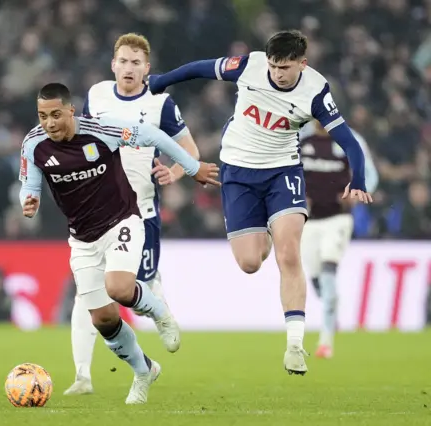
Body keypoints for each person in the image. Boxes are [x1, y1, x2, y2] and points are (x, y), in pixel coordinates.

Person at [148, 30, 373, 375]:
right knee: (250, 262)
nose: (278, 73)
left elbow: (349, 142)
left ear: (302, 63)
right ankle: (265, 230)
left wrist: (357, 180)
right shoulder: (250, 66)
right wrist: (162, 81)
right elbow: (200, 68)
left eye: (285, 67)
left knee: (288, 253)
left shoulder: (315, 90)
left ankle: (295, 345)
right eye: (273, 65)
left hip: (283, 171)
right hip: (238, 170)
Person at [20, 82, 218, 404]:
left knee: (120, 289)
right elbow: (30, 185)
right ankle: (144, 370)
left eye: (56, 114)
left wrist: (193, 168)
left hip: (122, 221)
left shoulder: (102, 130)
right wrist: (28, 200)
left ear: (72, 110)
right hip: (82, 240)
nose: (50, 123)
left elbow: (153, 136)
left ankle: (159, 312)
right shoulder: (33, 144)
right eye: (43, 116)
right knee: (103, 320)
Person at [64, 33, 200, 396]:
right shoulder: (97, 95)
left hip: (141, 212)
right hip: (98, 212)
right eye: (123, 61)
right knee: (89, 296)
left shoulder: (161, 103)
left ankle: (159, 310)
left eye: (136, 63)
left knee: (133, 290)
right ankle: (83, 375)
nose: (129, 68)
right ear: (113, 65)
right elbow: (85, 142)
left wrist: (174, 171)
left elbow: (190, 149)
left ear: (147, 69)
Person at [299, 120, 378, 358]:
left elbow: (370, 173)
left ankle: (325, 342)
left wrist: (357, 192)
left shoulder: (349, 139)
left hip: (338, 219)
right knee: (315, 280)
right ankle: (332, 307)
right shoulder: (299, 136)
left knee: (328, 271)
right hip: (307, 222)